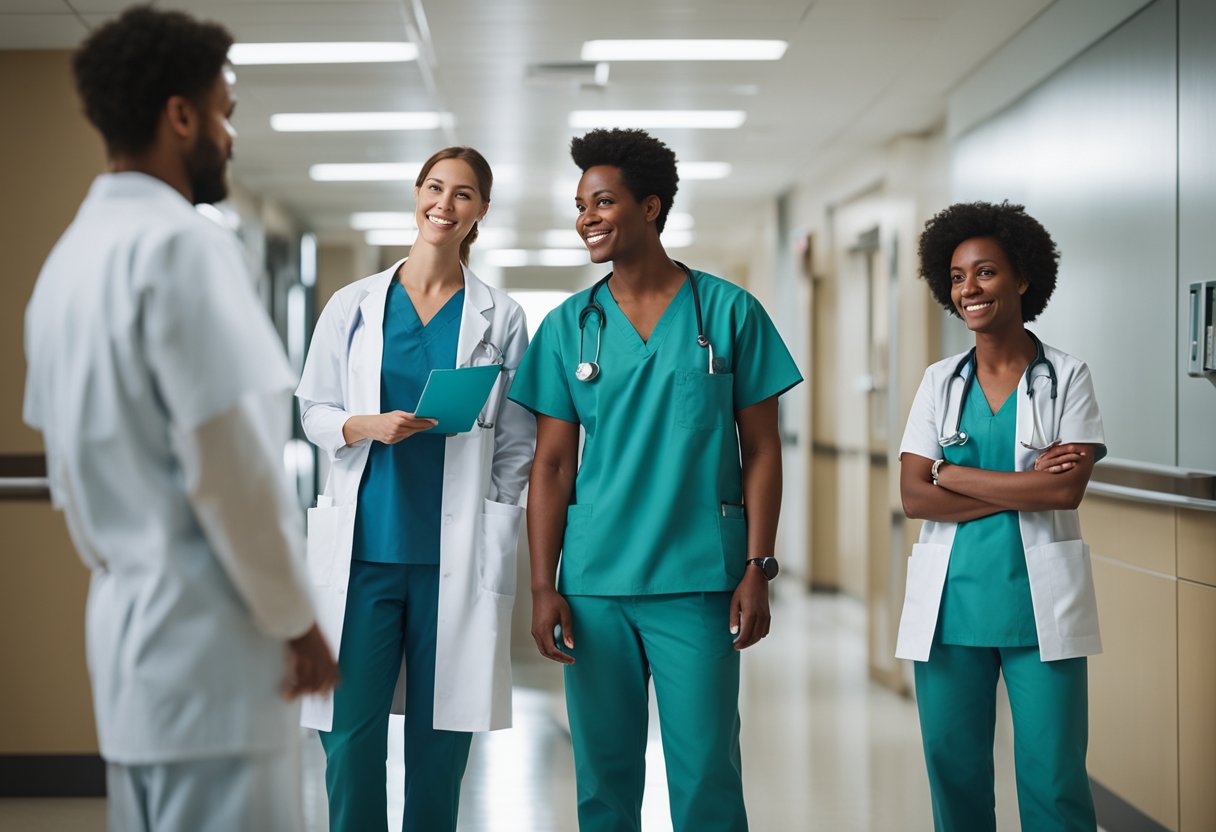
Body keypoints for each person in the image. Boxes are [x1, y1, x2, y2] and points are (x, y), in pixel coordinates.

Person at [22, 6, 338, 831]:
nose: (231, 138)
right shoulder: (184, 246)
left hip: (130, 654)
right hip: (217, 661)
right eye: (226, 113)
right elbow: (232, 463)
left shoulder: (67, 262)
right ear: (182, 115)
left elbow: (67, 467)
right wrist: (297, 621)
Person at [508, 128, 802, 832]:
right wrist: (544, 584)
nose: (587, 218)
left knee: (705, 776)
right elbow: (551, 465)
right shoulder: (567, 328)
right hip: (595, 583)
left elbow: (762, 450)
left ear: (651, 206)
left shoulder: (729, 314)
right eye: (580, 205)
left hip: (697, 583)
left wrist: (758, 567)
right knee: (604, 782)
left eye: (603, 202)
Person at [296, 146, 535, 832]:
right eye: (435, 188)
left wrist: (496, 511)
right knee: (348, 738)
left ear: (480, 211)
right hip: (364, 551)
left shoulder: (501, 316)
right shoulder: (354, 305)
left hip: (451, 556)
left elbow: (516, 439)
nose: (445, 204)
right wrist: (362, 424)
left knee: (441, 745)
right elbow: (312, 409)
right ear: (417, 193)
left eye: (463, 195)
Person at [896, 200, 1105, 831]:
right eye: (957, 277)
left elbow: (1062, 494)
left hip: (1039, 614)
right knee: (953, 772)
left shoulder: (1066, 377)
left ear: (1021, 278)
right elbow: (914, 497)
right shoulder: (940, 382)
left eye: (985, 272)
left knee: (1054, 778)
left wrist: (953, 474)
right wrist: (1021, 483)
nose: (969, 289)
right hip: (950, 610)